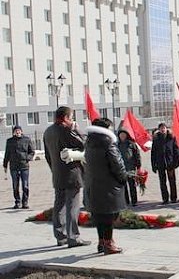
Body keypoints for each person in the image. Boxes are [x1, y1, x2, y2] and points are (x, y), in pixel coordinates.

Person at [43, 106, 89, 247]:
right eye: (71, 117)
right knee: (72, 206)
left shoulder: (48, 131)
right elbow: (84, 144)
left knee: (59, 205)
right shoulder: (67, 130)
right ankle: (73, 237)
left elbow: (47, 155)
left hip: (57, 174)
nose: (73, 120)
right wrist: (76, 129)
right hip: (72, 173)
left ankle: (60, 236)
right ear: (66, 118)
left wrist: (54, 170)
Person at [84, 118, 128, 254]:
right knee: (109, 216)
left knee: (98, 215)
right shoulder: (108, 142)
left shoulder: (89, 142)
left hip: (93, 184)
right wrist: (123, 178)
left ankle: (101, 242)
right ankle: (109, 244)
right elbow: (117, 164)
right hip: (109, 185)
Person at [3, 126, 35, 209]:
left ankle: (25, 202)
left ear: (21, 131)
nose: (18, 132)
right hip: (13, 167)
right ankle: (17, 202)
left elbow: (31, 152)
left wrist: (27, 158)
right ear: (14, 132)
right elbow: (7, 154)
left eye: (19, 130)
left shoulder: (26, 140)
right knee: (15, 185)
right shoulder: (9, 141)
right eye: (16, 131)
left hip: (24, 166)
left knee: (25, 185)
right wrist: (5, 165)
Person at [150, 123, 179, 204]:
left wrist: (176, 162)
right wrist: (153, 165)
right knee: (162, 182)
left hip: (170, 163)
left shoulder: (171, 138)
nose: (162, 129)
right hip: (160, 164)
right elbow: (153, 153)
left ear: (166, 129)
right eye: (161, 128)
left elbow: (176, 150)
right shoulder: (156, 139)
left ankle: (174, 198)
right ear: (158, 130)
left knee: (172, 181)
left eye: (164, 128)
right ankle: (165, 199)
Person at [117, 129, 141, 206]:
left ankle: (134, 201)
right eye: (121, 135)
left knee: (132, 185)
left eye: (124, 134)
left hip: (131, 167)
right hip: (121, 168)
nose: (122, 136)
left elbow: (137, 155)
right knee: (123, 186)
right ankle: (125, 201)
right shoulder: (117, 145)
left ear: (127, 135)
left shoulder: (131, 144)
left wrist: (138, 166)